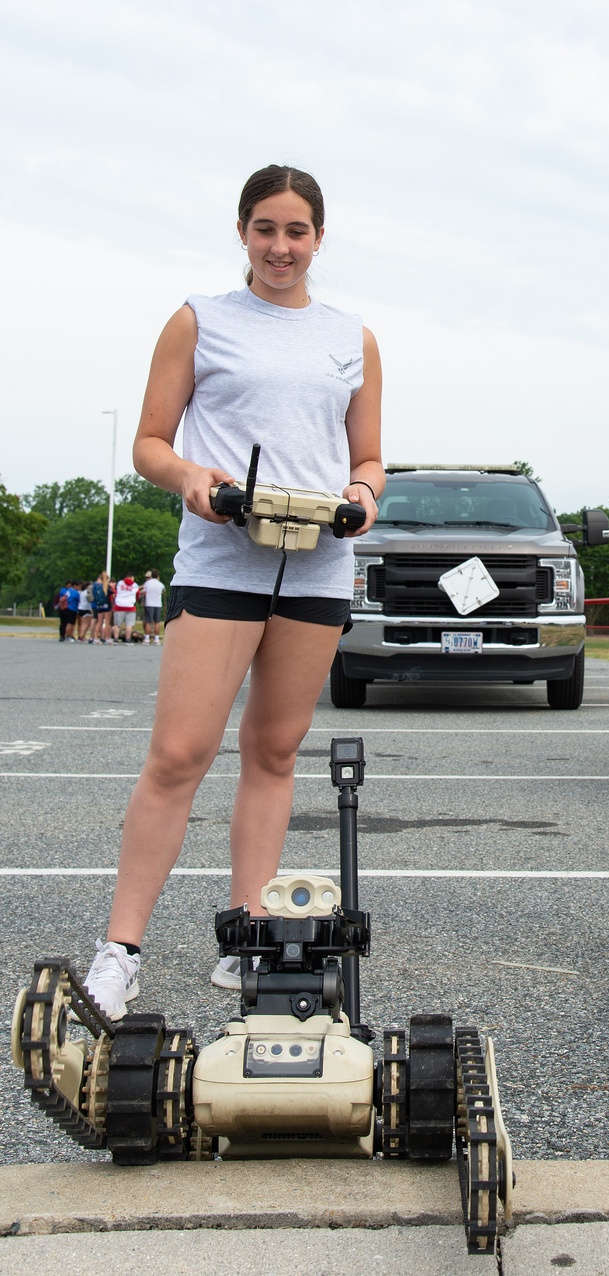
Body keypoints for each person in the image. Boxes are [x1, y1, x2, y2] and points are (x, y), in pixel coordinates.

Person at [81, 163, 383, 1018]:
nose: (280, 246)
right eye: (265, 229)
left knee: (275, 752)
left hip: (316, 564)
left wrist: (362, 499)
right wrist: (192, 481)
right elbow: (149, 441)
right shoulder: (199, 320)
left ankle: (248, 933)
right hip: (222, 561)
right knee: (179, 754)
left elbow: (367, 457)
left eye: (296, 231)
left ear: (320, 237)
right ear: (242, 232)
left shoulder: (350, 336)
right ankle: (121, 949)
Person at [112, 575, 140, 642]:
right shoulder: (135, 585)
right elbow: (137, 594)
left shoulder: (120, 583)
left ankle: (116, 638)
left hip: (119, 605)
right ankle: (128, 638)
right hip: (130, 606)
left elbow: (116, 592)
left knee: (117, 624)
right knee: (129, 624)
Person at [141, 569, 165, 644]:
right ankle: (156, 639)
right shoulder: (160, 584)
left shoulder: (147, 583)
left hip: (149, 604)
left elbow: (144, 592)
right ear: (158, 576)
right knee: (157, 622)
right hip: (158, 604)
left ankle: (147, 638)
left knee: (148, 621)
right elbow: (163, 591)